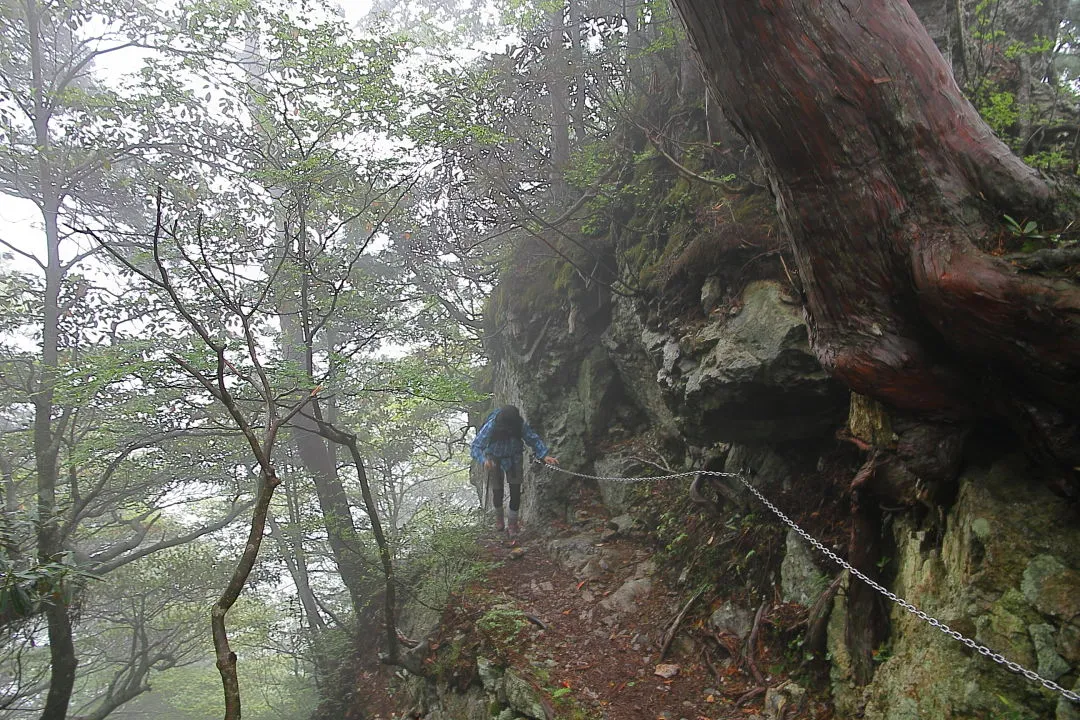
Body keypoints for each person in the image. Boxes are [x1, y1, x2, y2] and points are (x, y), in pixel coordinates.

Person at [470, 405, 558, 536]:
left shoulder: (519, 425)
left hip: (514, 458)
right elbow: (476, 446)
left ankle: (512, 524)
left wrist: (544, 455)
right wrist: (484, 460)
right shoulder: (492, 425)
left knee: (516, 492)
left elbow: (533, 439)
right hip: (494, 459)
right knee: (497, 492)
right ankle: (499, 520)